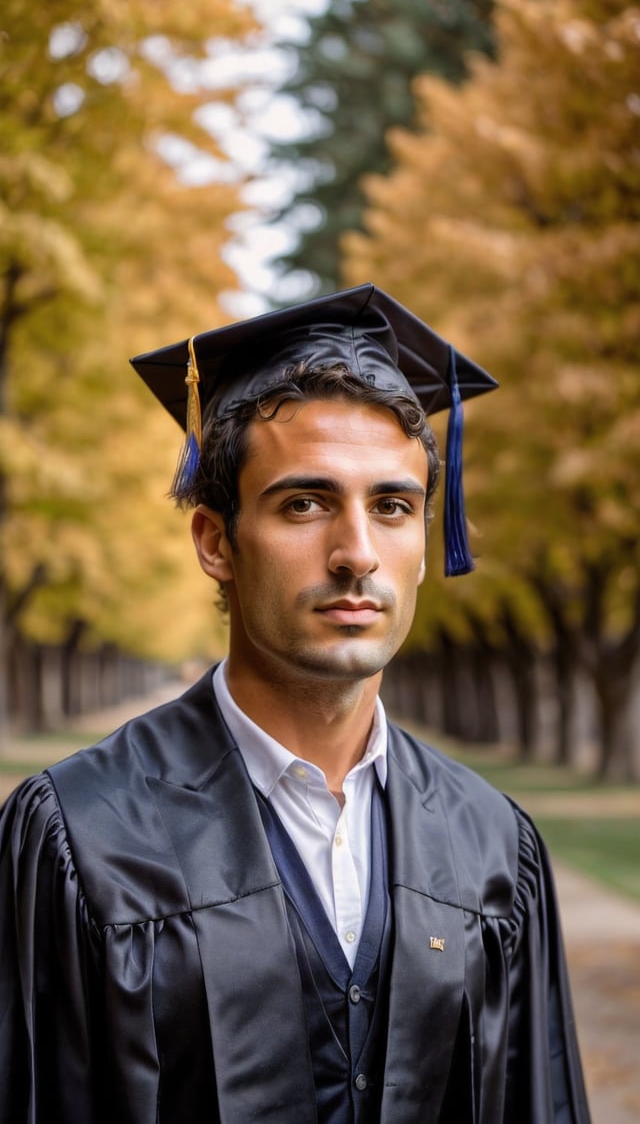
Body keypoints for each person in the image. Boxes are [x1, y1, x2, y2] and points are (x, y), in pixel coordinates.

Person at [0, 284, 590, 1123]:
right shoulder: (80, 835)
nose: (356, 554)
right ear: (215, 541)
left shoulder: (493, 844)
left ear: (425, 544)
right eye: (304, 504)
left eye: (393, 507)